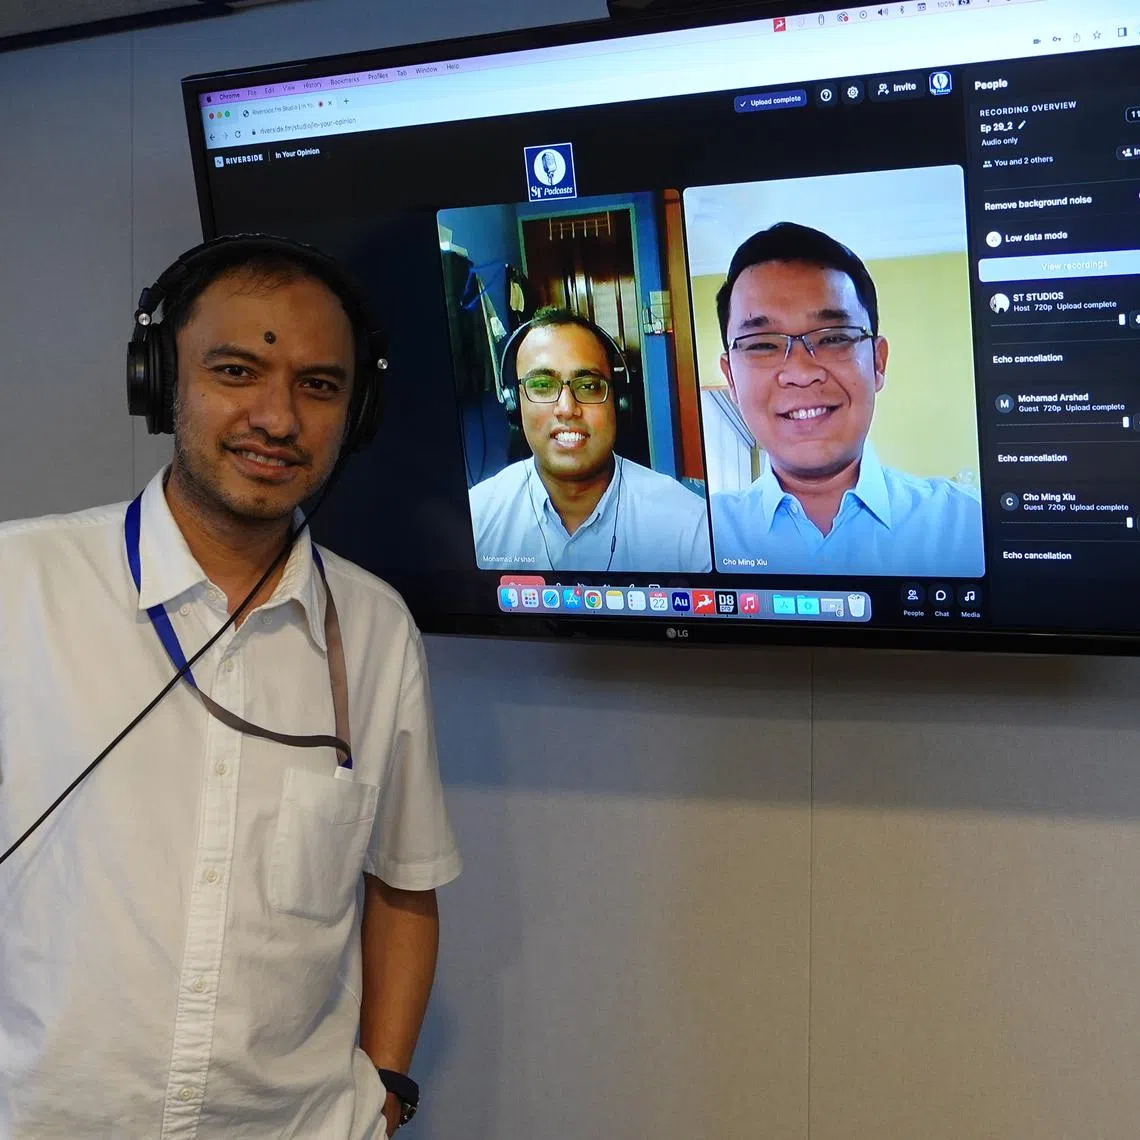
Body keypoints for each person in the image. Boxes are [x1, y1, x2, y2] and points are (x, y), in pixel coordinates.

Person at [0, 236, 461, 1139]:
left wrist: (388, 1093)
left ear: (355, 414)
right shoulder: (20, 584)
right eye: (237, 370)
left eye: (319, 386)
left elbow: (404, 888)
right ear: (159, 380)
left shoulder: (374, 630)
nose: (277, 418)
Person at [709, 221, 984, 577]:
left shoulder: (971, 528)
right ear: (730, 376)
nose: (801, 372)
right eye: (763, 344)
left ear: (878, 363)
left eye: (834, 338)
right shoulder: (695, 539)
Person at [469, 308, 712, 573]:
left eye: (588, 386)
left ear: (619, 403)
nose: (566, 408)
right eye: (541, 385)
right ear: (515, 405)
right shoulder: (476, 518)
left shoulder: (688, 523)